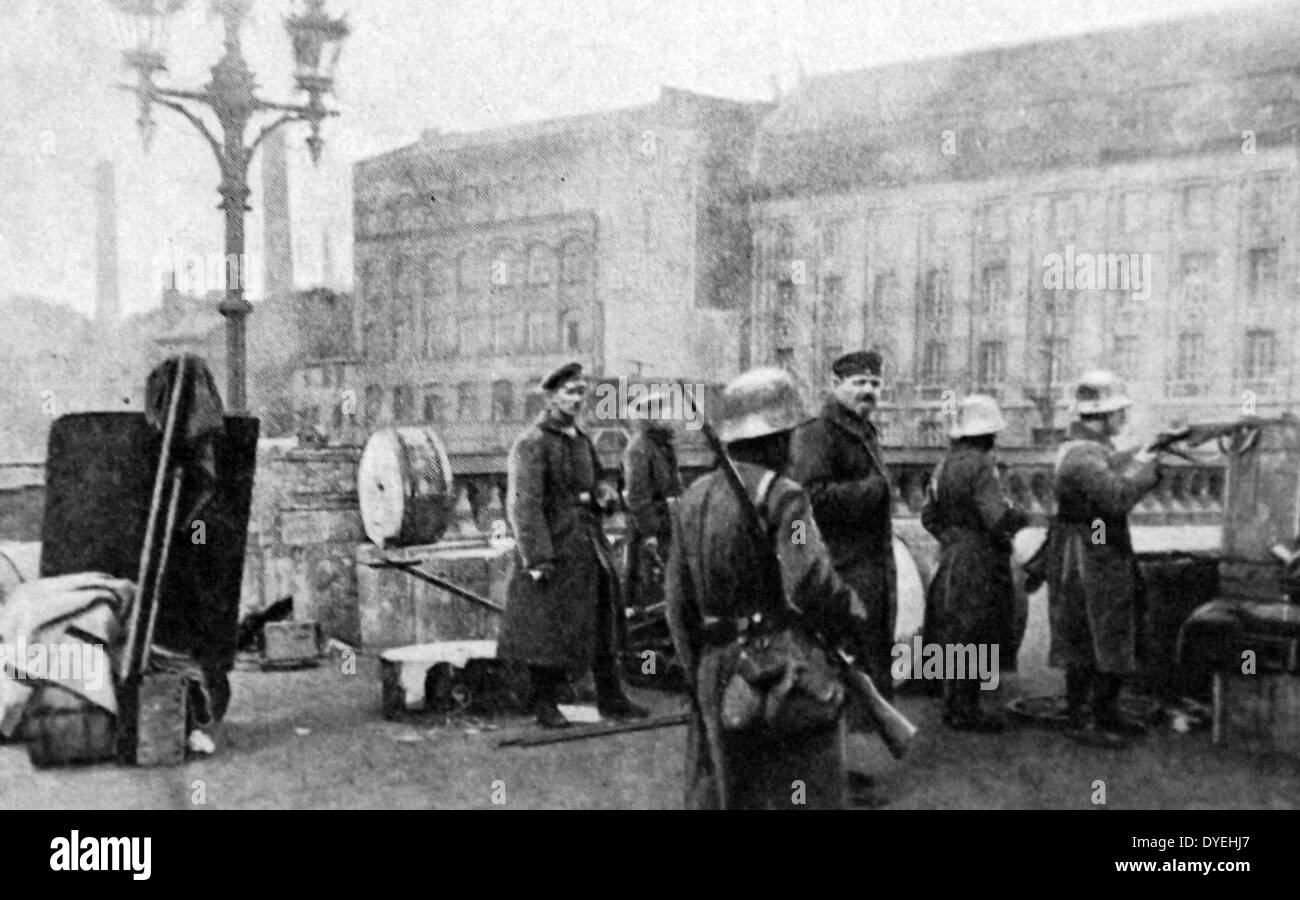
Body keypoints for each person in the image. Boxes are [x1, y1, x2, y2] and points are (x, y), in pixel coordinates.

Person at [664, 367, 871, 809]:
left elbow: (677, 606)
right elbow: (809, 583)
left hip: (716, 666)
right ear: (777, 438)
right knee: (799, 790)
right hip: (782, 667)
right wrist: (852, 613)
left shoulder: (693, 498)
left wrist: (701, 670)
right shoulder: (785, 496)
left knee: (728, 794)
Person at [497, 362, 649, 729]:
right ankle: (546, 705)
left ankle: (611, 697)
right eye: (569, 392)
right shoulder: (532, 443)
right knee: (547, 630)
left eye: (581, 392)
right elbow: (524, 505)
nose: (577, 399)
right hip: (555, 549)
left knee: (602, 620)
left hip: (588, 547)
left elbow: (595, 481)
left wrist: (604, 494)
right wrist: (537, 557)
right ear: (550, 396)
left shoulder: (580, 440)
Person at [1045, 370, 1161, 748]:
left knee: (1102, 632)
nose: (1123, 419)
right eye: (1119, 413)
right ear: (1102, 415)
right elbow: (1116, 496)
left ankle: (1103, 713)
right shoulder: (1081, 455)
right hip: (1089, 552)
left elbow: (1110, 468)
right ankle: (1084, 719)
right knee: (1091, 634)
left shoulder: (1087, 448)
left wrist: (1148, 449)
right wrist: (1146, 460)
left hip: (1092, 546)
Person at [787, 350, 897, 699]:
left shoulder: (862, 430)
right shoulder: (819, 432)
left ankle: (870, 723)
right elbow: (810, 497)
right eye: (859, 382)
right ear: (835, 385)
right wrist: (871, 490)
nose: (869, 390)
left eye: (875, 383)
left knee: (871, 645)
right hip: (840, 564)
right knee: (846, 651)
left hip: (869, 562)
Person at [920, 394, 1029, 732]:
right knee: (976, 628)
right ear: (987, 435)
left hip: (953, 555)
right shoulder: (982, 466)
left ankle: (953, 706)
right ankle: (967, 710)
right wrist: (1022, 517)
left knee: (954, 628)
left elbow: (927, 516)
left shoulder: (945, 465)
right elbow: (996, 518)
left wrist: (950, 538)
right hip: (981, 556)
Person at [622, 390, 683, 612]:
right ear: (646, 416)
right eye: (656, 410)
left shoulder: (662, 444)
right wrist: (649, 534)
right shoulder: (639, 448)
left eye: (663, 408)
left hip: (667, 522)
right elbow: (637, 497)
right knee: (647, 584)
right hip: (650, 528)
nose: (664, 414)